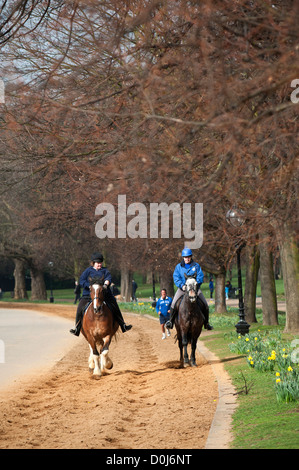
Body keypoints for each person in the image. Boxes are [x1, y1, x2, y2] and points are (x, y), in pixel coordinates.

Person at [70, 252, 132, 336]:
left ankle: (123, 325)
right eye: (97, 263)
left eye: (100, 263)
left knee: (115, 305)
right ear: (93, 263)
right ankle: (76, 328)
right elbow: (82, 281)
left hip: (104, 295)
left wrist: (106, 284)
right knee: (80, 307)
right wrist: (89, 286)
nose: (99, 264)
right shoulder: (88, 271)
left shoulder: (105, 270)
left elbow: (108, 278)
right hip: (88, 295)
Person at [165, 247, 213, 330]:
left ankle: (206, 323)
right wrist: (181, 285)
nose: (187, 259)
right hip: (182, 289)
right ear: (183, 258)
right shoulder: (178, 267)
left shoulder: (196, 266)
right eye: (185, 257)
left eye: (188, 257)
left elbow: (200, 276)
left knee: (205, 304)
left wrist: (196, 284)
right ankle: (170, 322)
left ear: (191, 257)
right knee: (173, 304)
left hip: (194, 289)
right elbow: (176, 277)